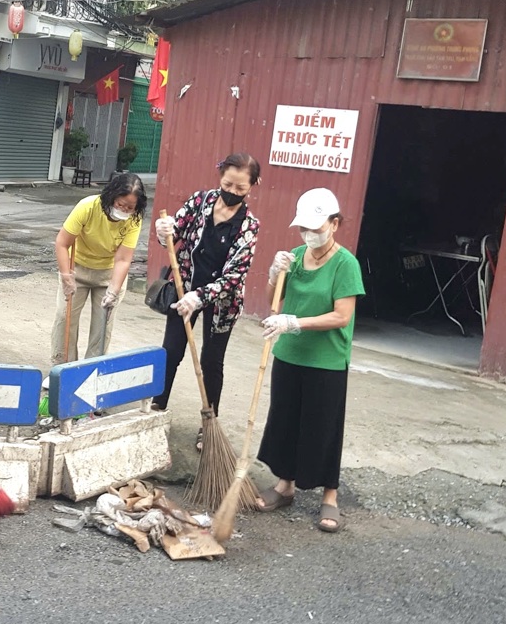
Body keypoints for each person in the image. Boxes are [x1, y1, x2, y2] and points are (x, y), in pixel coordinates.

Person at [255, 187, 365, 533]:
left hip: (326, 359)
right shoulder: (297, 256)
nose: (309, 235)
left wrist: (295, 322)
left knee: (324, 426)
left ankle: (329, 496)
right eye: (304, 228)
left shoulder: (346, 264)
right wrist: (274, 274)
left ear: (335, 223)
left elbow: (341, 316)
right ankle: (284, 486)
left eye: (316, 228)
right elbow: (275, 298)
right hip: (289, 354)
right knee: (285, 418)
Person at [152, 153, 261, 450]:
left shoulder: (249, 226)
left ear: (252, 186)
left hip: (220, 302)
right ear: (220, 177)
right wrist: (165, 232)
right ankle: (156, 410)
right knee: (171, 352)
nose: (232, 192)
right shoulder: (200, 202)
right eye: (228, 184)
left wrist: (198, 297)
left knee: (212, 362)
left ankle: (208, 424)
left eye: (240, 189)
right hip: (183, 285)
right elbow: (172, 237)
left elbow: (234, 277)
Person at [51, 173, 147, 364]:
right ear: (111, 197)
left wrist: (114, 290)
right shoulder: (88, 206)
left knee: (103, 325)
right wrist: (65, 276)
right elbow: (62, 243)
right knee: (65, 318)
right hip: (76, 268)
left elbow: (123, 259)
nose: (124, 210)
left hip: (109, 273)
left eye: (130, 207)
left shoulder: (133, 220)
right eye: (120, 204)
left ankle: (92, 370)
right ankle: (61, 369)